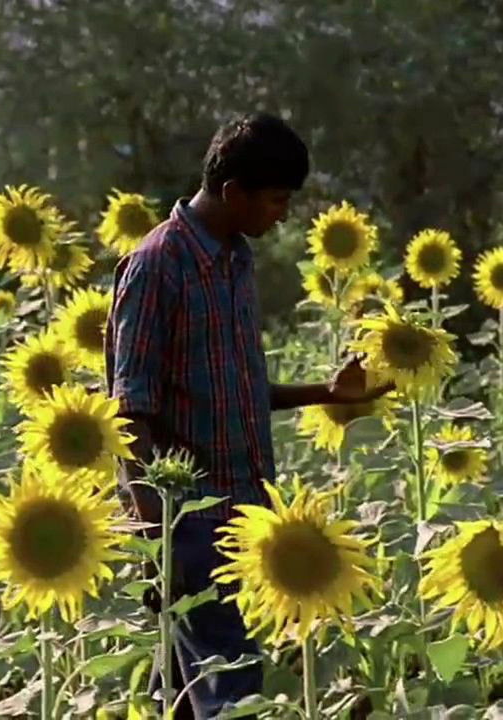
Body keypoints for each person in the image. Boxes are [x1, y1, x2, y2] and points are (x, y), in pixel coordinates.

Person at [104, 112, 395, 718]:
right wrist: (158, 521)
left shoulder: (234, 260)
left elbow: (237, 388)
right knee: (231, 686)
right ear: (233, 192)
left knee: (190, 692)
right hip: (189, 520)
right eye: (275, 200)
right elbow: (129, 405)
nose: (282, 214)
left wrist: (327, 393)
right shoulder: (158, 264)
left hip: (245, 510)